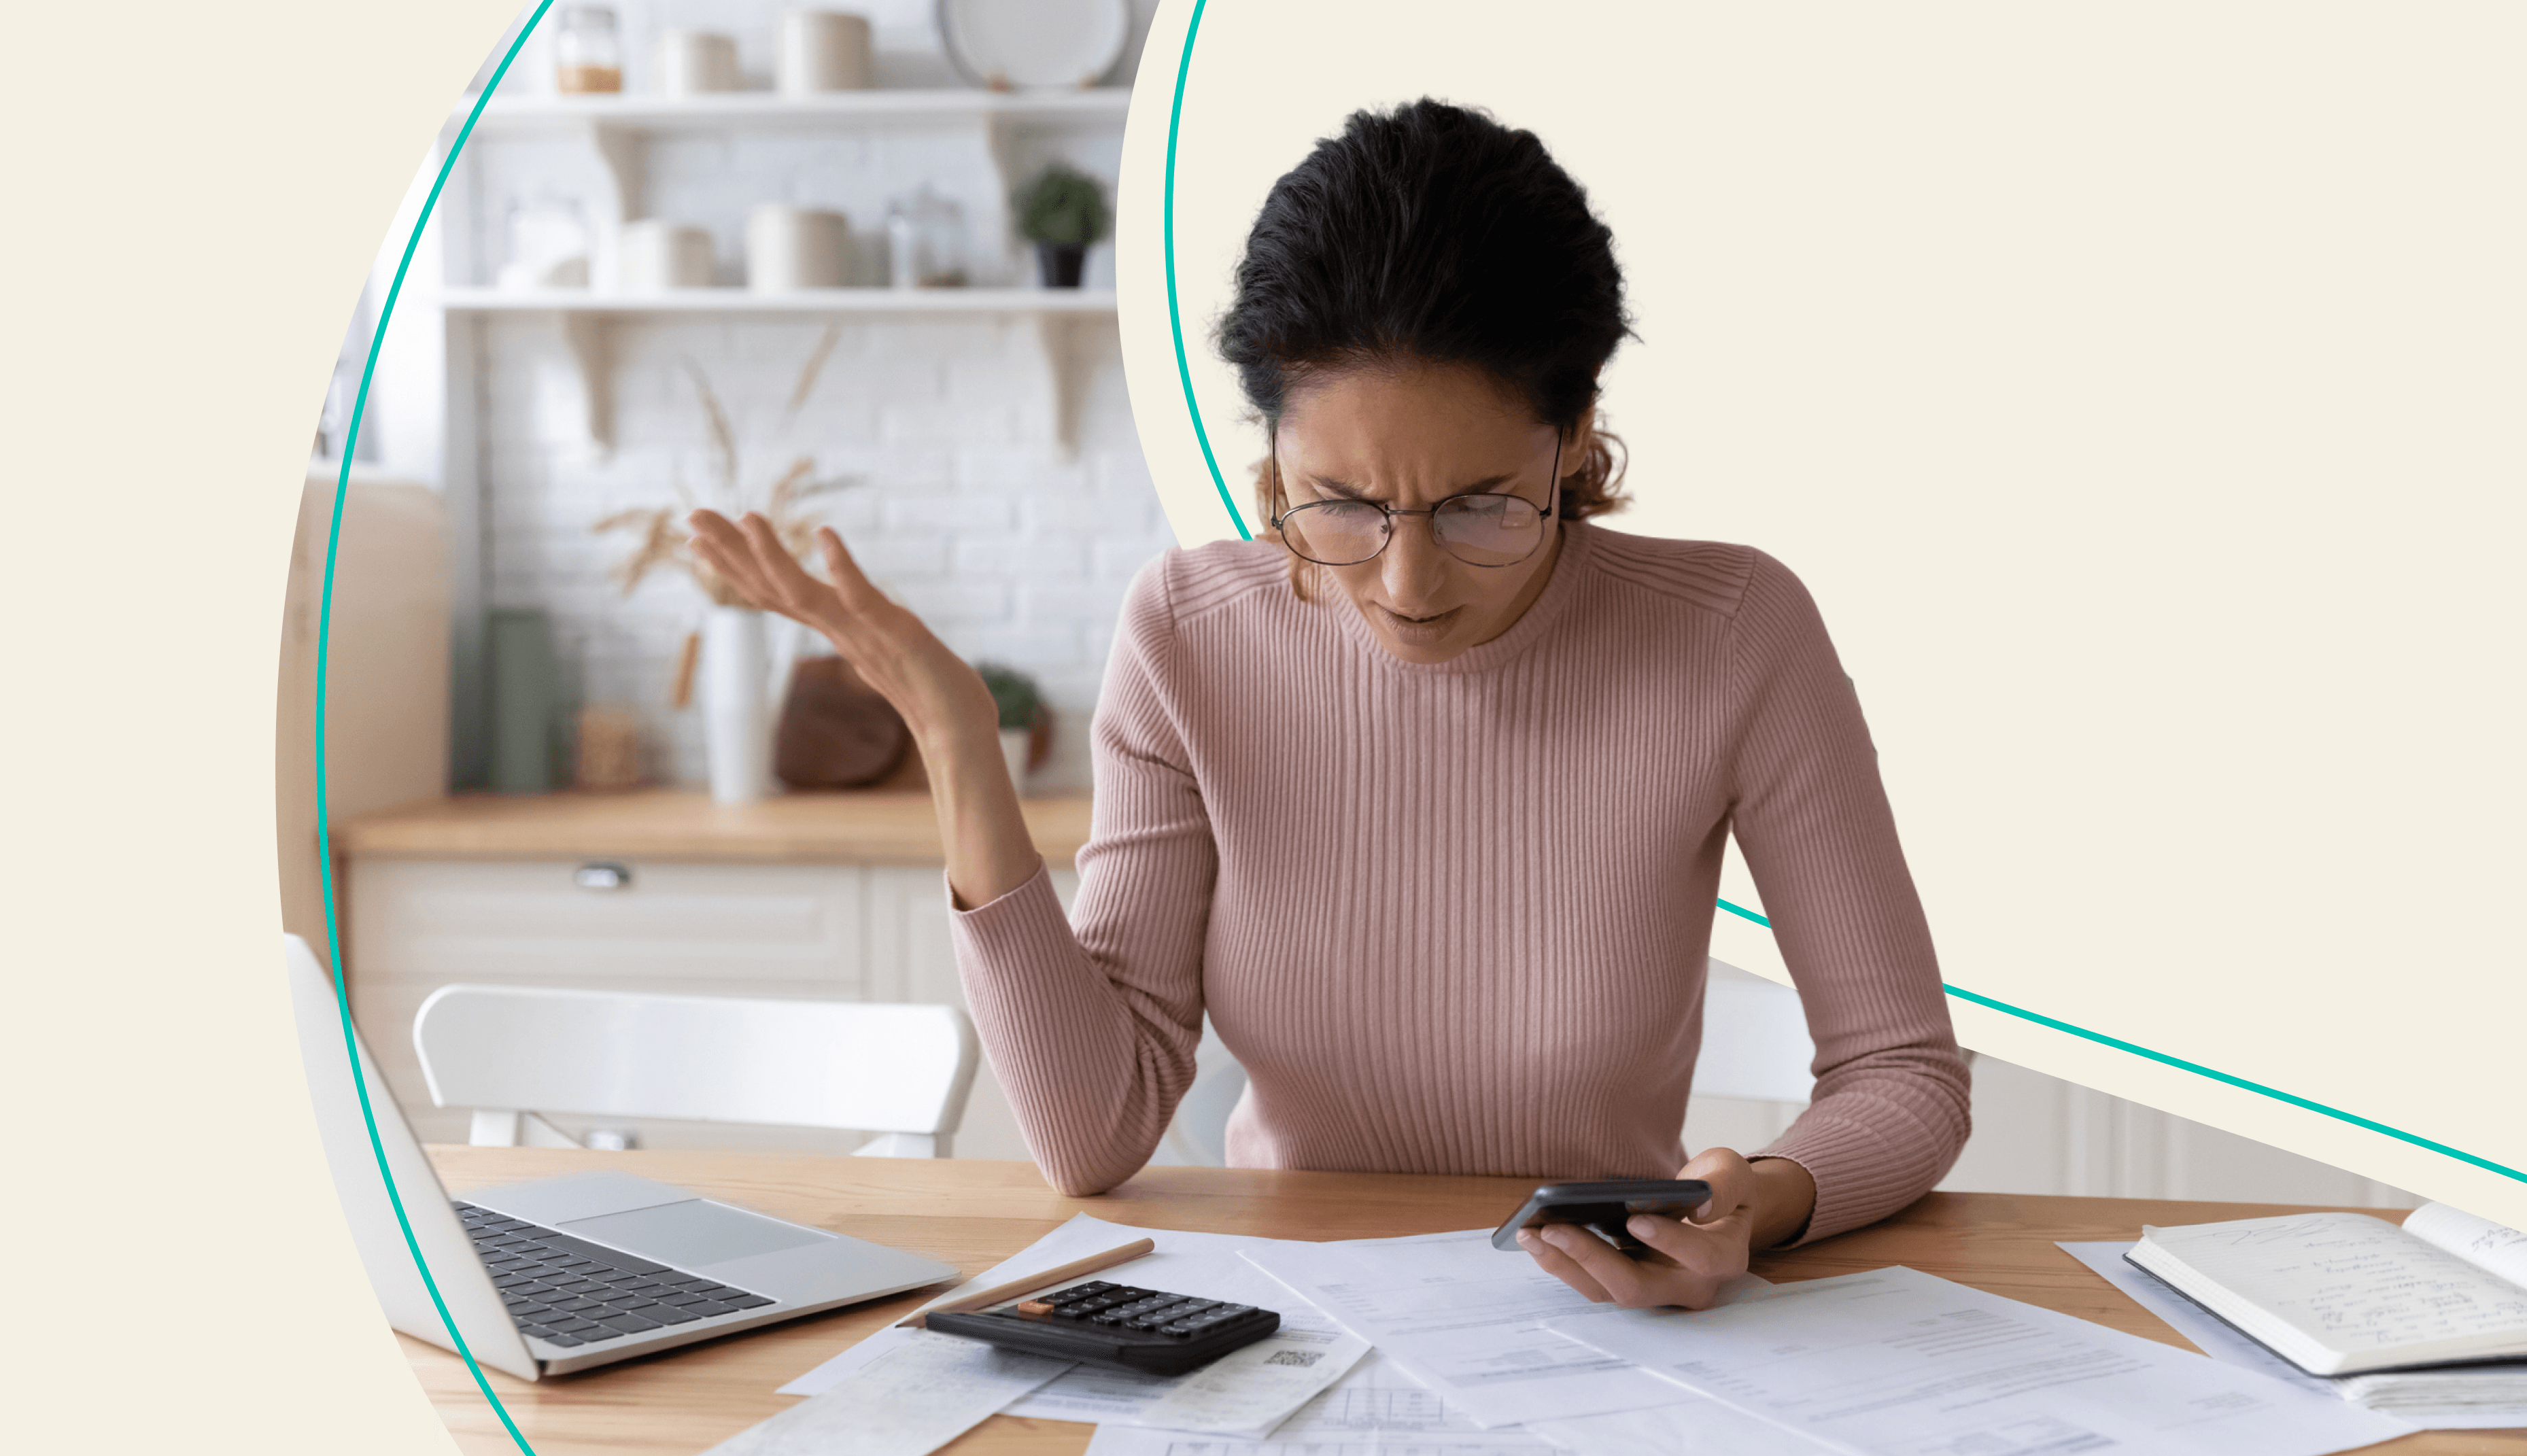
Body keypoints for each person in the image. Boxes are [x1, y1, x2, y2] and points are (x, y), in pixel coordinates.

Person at [688, 99, 1970, 1311]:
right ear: (1269, 456)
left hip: (1606, 1329)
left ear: (1576, 437)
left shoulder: (1734, 632)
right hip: (1284, 1322)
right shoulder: (1190, 633)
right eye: (1341, 503)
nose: (1405, 585)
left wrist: (1771, 1203)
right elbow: (1094, 1133)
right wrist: (953, 738)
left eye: (1479, 504)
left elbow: (1902, 1073)